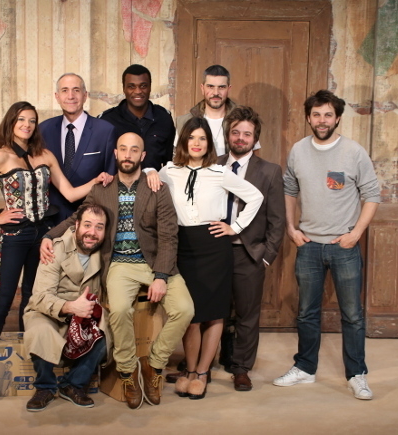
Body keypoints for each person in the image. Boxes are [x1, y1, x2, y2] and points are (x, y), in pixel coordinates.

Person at [0, 101, 112, 404]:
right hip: (16, 235)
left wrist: (97, 181)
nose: (27, 125)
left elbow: (69, 193)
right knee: (2, 303)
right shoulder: (2, 157)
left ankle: (30, 367)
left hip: (42, 234)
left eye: (31, 120)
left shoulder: (45, 155)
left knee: (32, 299)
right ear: (11, 122)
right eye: (21, 120)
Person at [41, 132, 194, 409]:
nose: (128, 154)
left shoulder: (157, 188)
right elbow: (78, 218)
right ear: (115, 153)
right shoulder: (102, 188)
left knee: (185, 309)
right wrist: (49, 236)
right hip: (120, 264)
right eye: (123, 149)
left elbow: (169, 235)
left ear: (142, 156)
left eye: (134, 150)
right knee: (120, 310)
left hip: (154, 261)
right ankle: (127, 370)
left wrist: (161, 276)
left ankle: (154, 365)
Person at [273, 90, 380, 400]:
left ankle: (357, 375)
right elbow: (289, 190)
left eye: (328, 115)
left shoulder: (353, 152)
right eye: (316, 115)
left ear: (337, 119)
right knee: (306, 313)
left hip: (343, 246)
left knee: (352, 315)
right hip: (308, 246)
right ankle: (305, 368)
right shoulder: (298, 150)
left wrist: (356, 233)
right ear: (309, 118)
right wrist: (291, 228)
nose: (322, 120)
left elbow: (372, 194)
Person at [158, 117, 263, 400]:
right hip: (182, 246)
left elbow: (255, 197)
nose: (196, 143)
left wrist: (235, 227)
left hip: (215, 247)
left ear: (209, 144)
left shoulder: (219, 172)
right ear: (183, 141)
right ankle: (190, 370)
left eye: (202, 138)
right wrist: (148, 170)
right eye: (191, 137)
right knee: (190, 314)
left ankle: (203, 372)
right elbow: (149, 178)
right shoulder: (169, 171)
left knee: (215, 313)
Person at [217, 106, 285, 391]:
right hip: (215, 251)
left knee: (247, 314)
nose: (241, 138)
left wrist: (266, 256)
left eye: (247, 134)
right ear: (228, 135)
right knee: (215, 310)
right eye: (236, 132)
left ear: (255, 138)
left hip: (249, 253)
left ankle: (241, 367)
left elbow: (277, 219)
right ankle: (213, 360)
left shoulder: (269, 171)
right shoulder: (212, 165)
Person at [23, 204, 111, 412]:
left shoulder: (105, 253)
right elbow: (40, 297)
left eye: (99, 227)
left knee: (107, 333)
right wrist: (70, 306)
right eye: (87, 225)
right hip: (50, 310)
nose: (92, 232)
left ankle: (73, 384)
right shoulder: (56, 248)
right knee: (40, 331)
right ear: (77, 225)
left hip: (85, 313)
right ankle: (45, 387)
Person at [40, 73, 117, 222]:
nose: (71, 96)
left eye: (76, 90)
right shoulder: (43, 130)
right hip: (50, 221)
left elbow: (110, 179)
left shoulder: (105, 131)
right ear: (57, 96)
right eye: (65, 90)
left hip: (91, 220)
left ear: (85, 95)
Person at [99, 64, 176, 171]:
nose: (138, 91)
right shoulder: (107, 121)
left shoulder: (163, 118)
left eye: (143, 86)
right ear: (124, 89)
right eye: (131, 86)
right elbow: (100, 162)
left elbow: (168, 162)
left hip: (154, 180)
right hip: (117, 181)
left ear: (150, 87)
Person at [175, 65, 260, 156]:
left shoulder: (243, 120)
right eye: (210, 86)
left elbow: (254, 157)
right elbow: (178, 156)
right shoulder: (185, 121)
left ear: (229, 89)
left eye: (221, 87)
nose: (216, 93)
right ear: (202, 88)